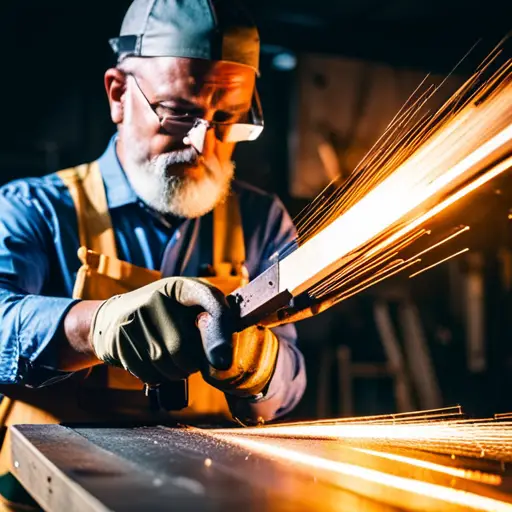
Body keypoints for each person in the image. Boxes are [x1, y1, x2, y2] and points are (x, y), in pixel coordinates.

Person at [0, 0, 306, 504]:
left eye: (228, 119)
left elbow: (291, 376)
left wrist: (261, 367)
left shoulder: (263, 221)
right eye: (179, 113)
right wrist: (92, 327)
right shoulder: (34, 209)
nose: (202, 144)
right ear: (118, 94)